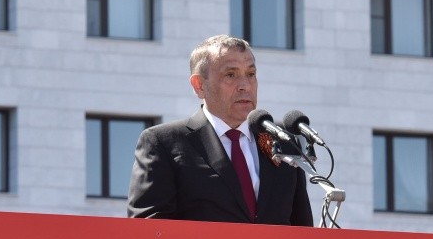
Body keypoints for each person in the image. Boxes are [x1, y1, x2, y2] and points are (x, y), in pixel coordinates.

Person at [127, 34, 313, 225]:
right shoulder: (164, 143)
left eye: (251, 74)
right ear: (199, 85)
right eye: (230, 75)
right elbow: (150, 230)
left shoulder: (283, 141)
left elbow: (302, 229)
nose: (245, 86)